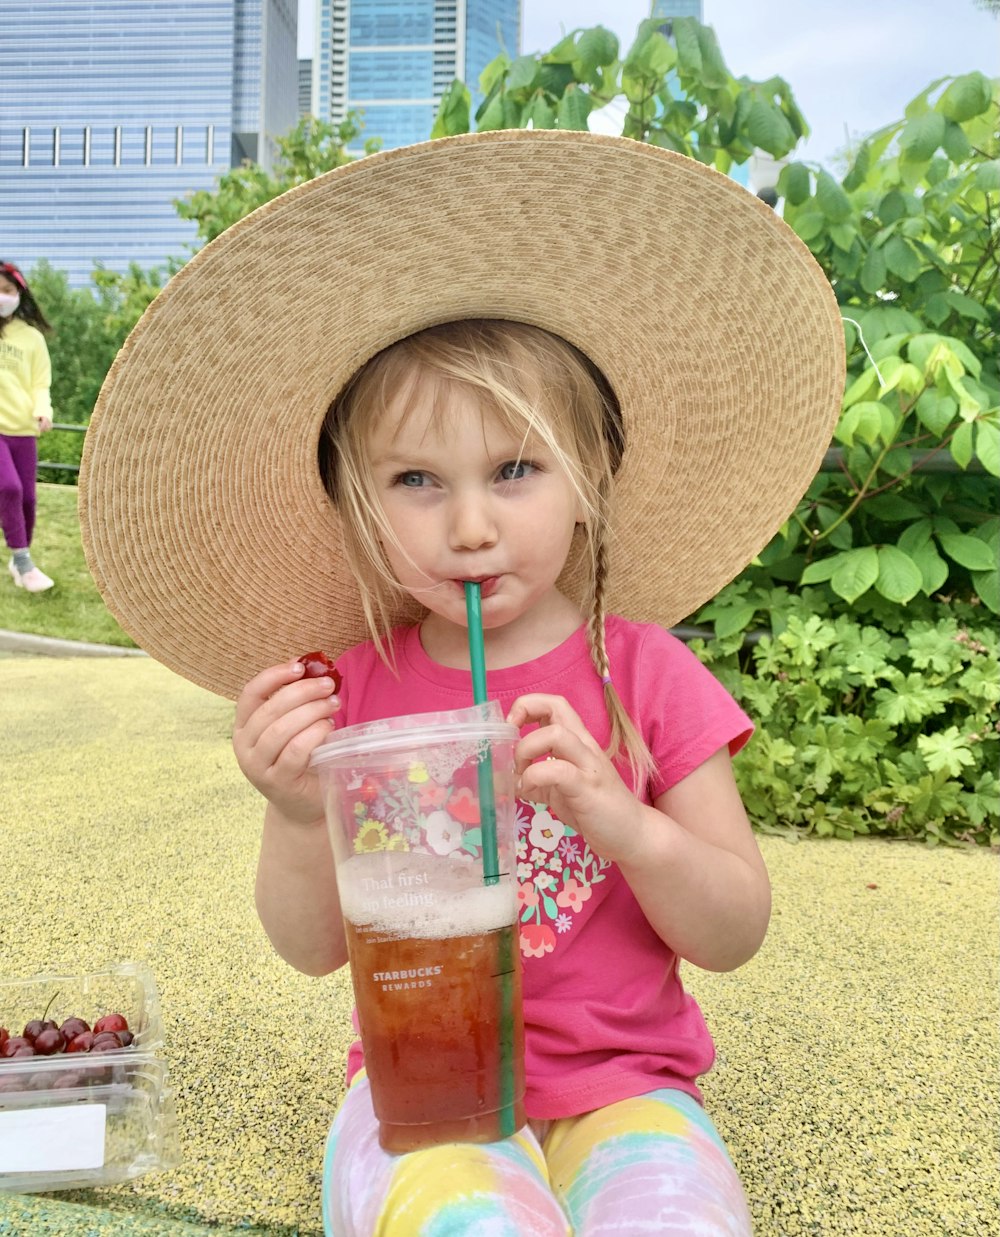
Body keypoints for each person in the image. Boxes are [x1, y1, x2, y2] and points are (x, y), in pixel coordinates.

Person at [76, 130, 845, 1235]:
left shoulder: (645, 675)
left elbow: (733, 928)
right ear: (354, 503)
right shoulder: (348, 693)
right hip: (419, 1094)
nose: (471, 526)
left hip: (624, 1086)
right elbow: (308, 949)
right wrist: (296, 808)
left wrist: (615, 817)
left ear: (589, 485)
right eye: (416, 480)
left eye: (516, 470)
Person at [0, 261, 55, 592]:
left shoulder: (32, 338)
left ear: (19, 295)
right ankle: (24, 562)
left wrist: (42, 410)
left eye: (7, 291)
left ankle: (19, 555)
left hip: (24, 431)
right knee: (9, 489)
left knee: (28, 500)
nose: (1, 297)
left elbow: (40, 383)